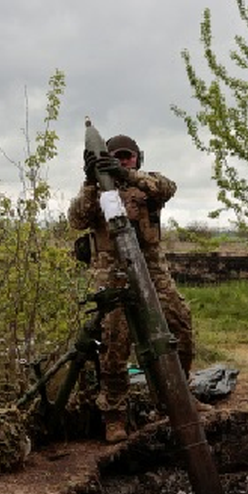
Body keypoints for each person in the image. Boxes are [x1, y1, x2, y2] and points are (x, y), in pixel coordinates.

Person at [67, 133, 197, 444]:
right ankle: (114, 415)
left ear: (138, 158)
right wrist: (90, 180)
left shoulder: (146, 183)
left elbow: (167, 187)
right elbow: (77, 218)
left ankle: (178, 399)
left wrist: (125, 175)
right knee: (114, 343)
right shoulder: (96, 192)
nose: (124, 160)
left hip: (153, 273)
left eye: (128, 156)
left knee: (180, 327)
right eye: (117, 157)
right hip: (113, 275)